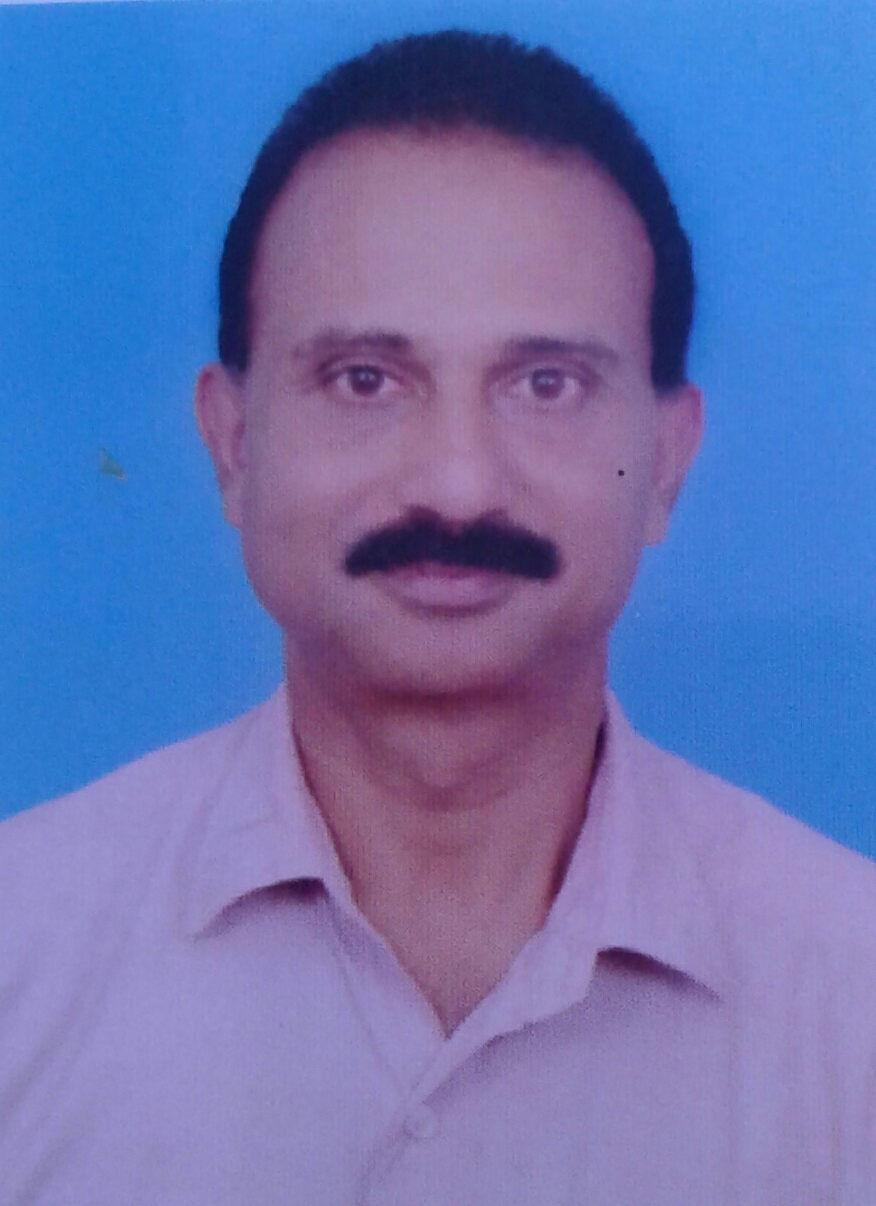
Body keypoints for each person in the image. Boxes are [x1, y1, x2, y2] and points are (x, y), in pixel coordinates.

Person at [2, 29, 874, 1206]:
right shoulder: (21, 953)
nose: (458, 485)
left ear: (667, 459)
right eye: (364, 380)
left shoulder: (853, 1000)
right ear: (233, 443)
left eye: (546, 384)